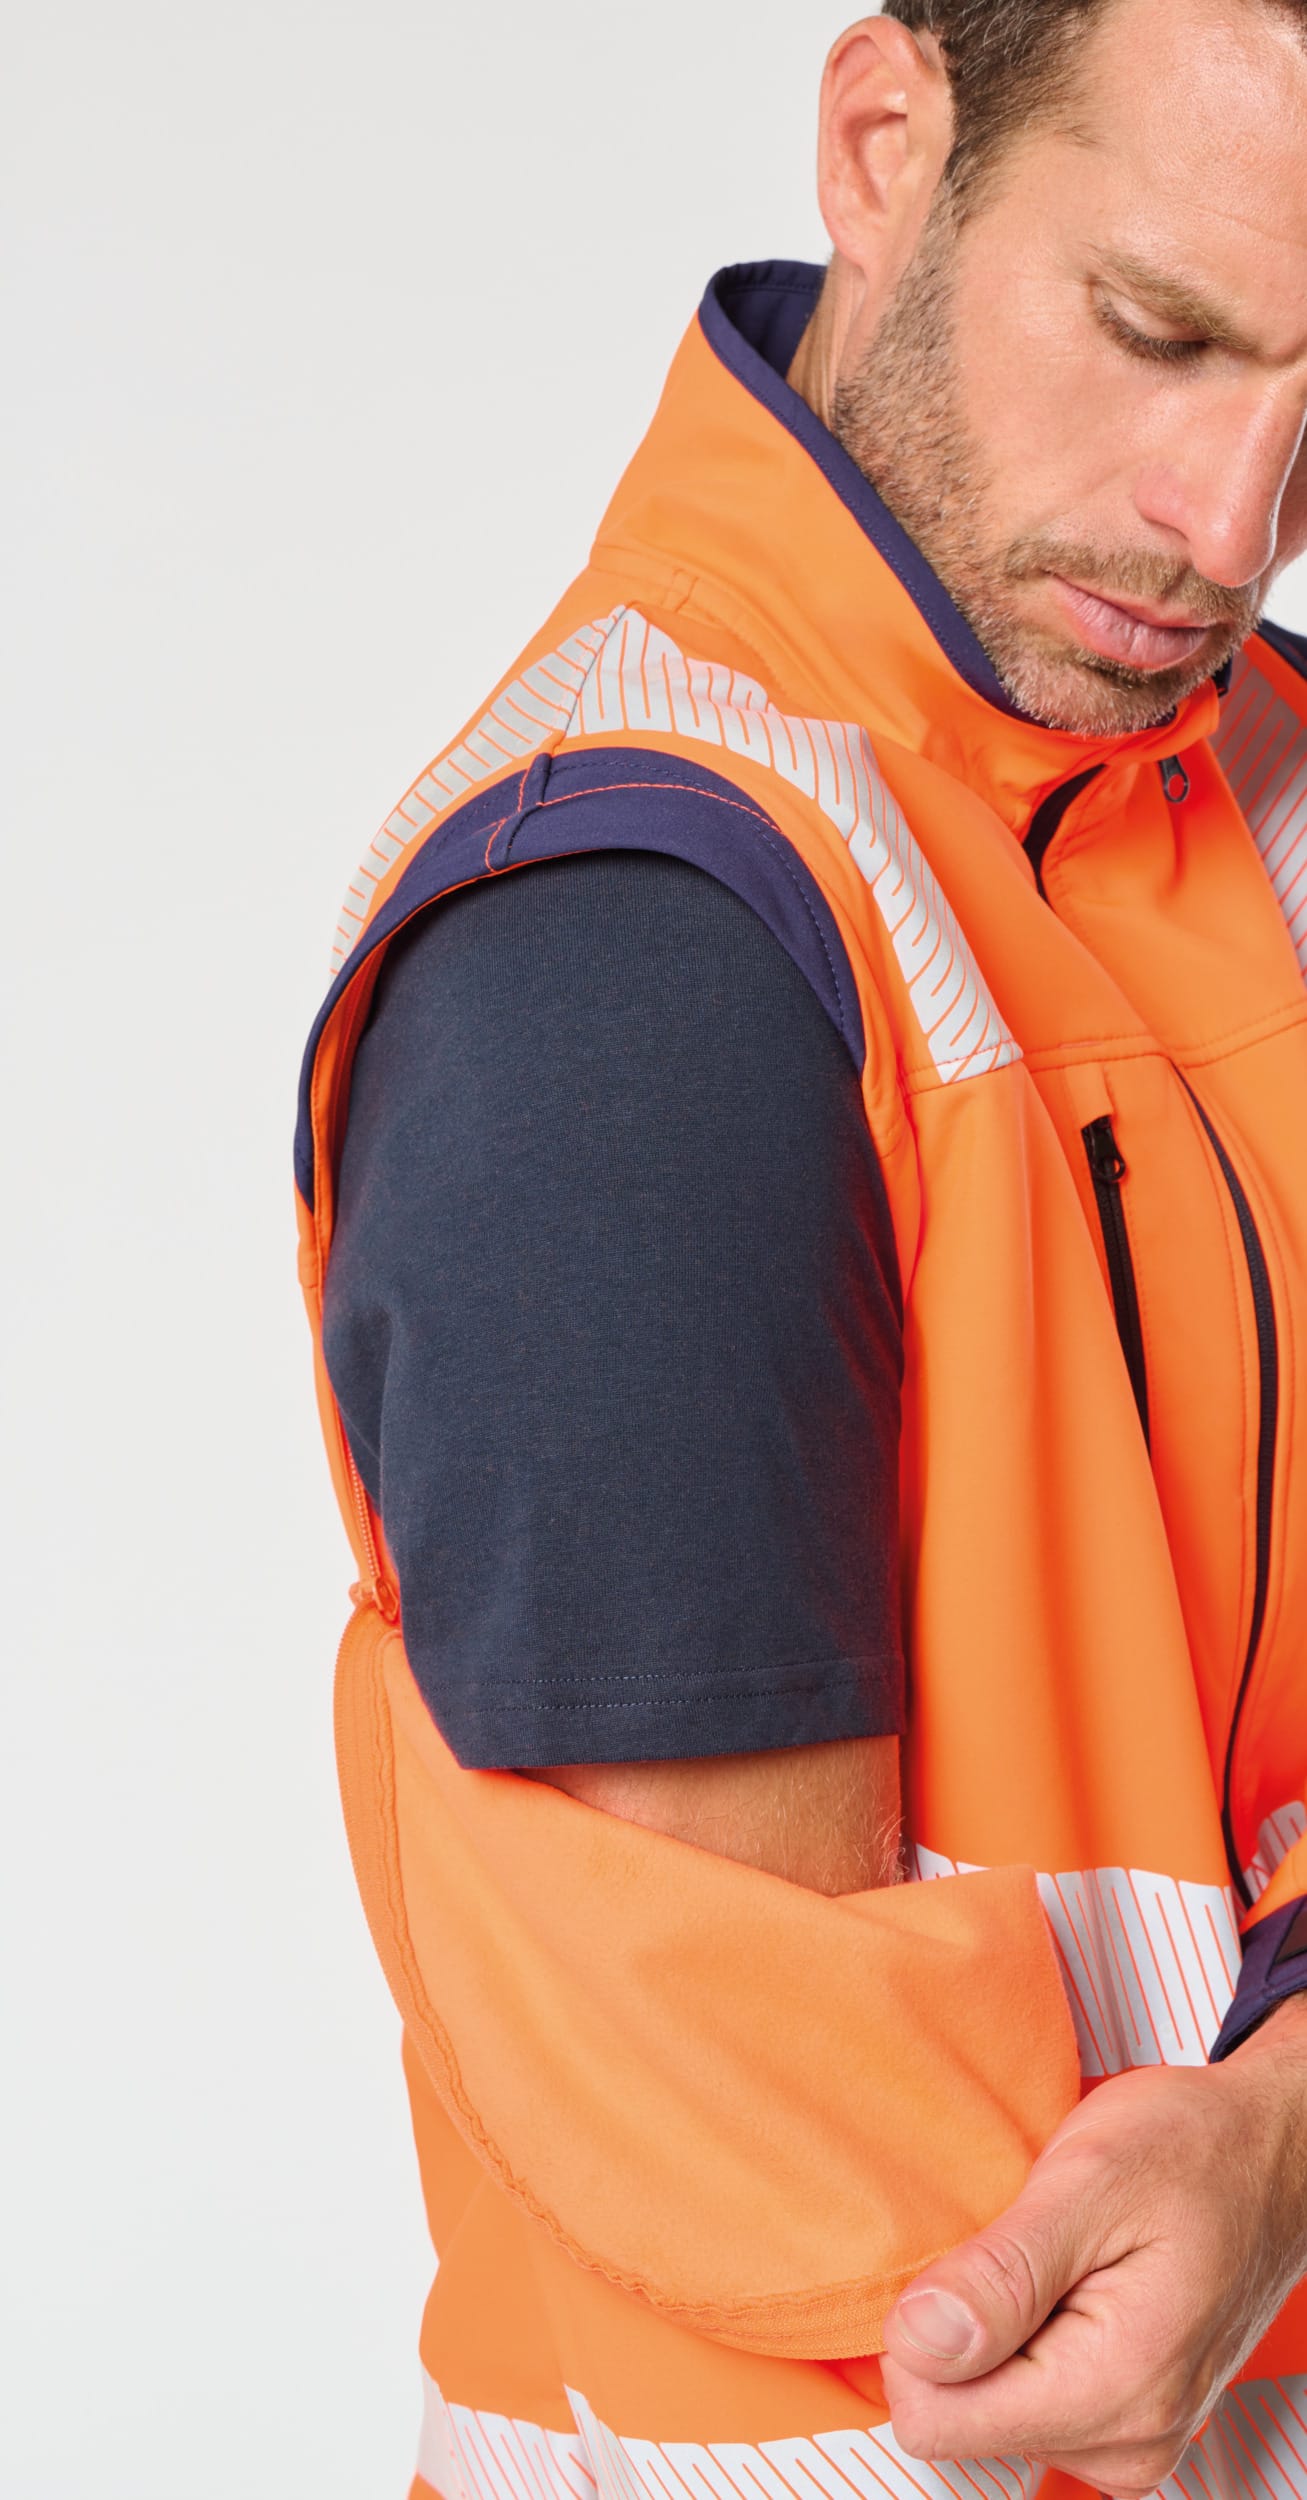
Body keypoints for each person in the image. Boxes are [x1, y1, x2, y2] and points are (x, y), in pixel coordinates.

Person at [295, 5, 1307, 2496]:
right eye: (1160, 331)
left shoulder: (1268, 775)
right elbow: (873, 2278)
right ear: (883, 147)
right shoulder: (632, 959)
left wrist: (1281, 2124)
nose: (1232, 520)